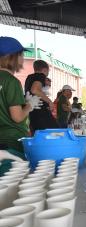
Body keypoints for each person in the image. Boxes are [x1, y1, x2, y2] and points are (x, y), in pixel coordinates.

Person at [0, 36, 42, 175]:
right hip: (12, 143)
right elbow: (17, 117)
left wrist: (23, 101)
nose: (23, 58)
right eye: (21, 54)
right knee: (10, 189)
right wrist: (29, 105)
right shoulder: (11, 82)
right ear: (12, 57)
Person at [25, 59, 58, 133]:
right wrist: (49, 102)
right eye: (48, 71)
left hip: (33, 115)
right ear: (45, 70)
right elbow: (35, 90)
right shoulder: (41, 75)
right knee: (58, 133)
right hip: (42, 115)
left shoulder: (29, 77)